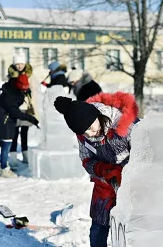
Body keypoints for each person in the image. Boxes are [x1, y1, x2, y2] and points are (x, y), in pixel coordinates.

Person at [54, 92, 139, 247]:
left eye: (91, 128)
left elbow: (145, 155)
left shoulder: (125, 124)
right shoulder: (84, 135)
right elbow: (86, 159)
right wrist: (103, 170)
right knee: (97, 233)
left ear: (96, 116)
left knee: (129, 233)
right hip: (104, 186)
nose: (91, 135)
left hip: (132, 187)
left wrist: (124, 173)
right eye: (84, 132)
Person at [0, 74, 39, 178]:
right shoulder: (11, 96)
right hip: (4, 120)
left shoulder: (13, 89)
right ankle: (4, 168)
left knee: (7, 143)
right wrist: (31, 118)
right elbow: (16, 113)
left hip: (6, 119)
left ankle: (4, 166)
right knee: (6, 144)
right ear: (18, 86)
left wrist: (25, 93)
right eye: (23, 89)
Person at [7, 53, 36, 165]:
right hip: (15, 108)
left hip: (26, 108)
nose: (19, 66)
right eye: (17, 63)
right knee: (14, 133)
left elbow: (34, 90)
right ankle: (13, 157)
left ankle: (25, 155)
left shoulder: (30, 75)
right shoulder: (11, 75)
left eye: (21, 63)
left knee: (25, 133)